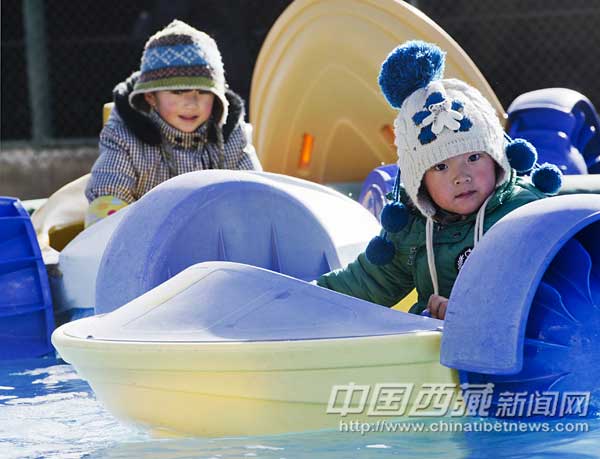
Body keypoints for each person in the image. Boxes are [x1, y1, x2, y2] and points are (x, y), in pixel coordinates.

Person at [317, 41, 562, 319]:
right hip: (432, 354)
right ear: (419, 182)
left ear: (498, 158)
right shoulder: (413, 232)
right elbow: (368, 282)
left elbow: (553, 288)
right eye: (441, 166)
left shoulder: (524, 214)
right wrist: (308, 297)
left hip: (516, 350)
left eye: (473, 158)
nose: (461, 177)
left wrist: (468, 312)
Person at [84, 19, 262, 227]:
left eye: (204, 92)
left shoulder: (230, 134)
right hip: (147, 239)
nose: (191, 104)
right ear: (150, 97)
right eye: (178, 92)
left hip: (215, 236)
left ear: (218, 96)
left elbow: (254, 192)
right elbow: (108, 197)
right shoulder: (126, 135)